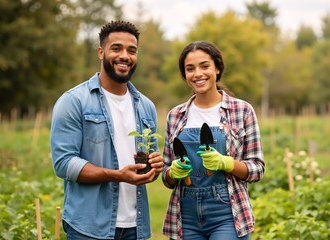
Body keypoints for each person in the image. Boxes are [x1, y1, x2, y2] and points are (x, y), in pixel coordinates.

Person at [50, 20, 164, 240]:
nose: (125, 56)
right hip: (89, 228)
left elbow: (149, 162)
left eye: (132, 50)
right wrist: (117, 175)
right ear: (101, 52)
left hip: (136, 227)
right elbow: (64, 163)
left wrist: (155, 167)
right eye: (116, 48)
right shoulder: (74, 101)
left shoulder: (146, 106)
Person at [161, 41, 265, 240]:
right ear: (185, 75)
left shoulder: (242, 111)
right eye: (190, 69)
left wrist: (228, 163)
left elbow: (257, 169)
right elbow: (166, 177)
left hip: (227, 213)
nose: (198, 74)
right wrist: (173, 172)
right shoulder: (175, 116)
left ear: (217, 68)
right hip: (186, 216)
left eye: (204, 66)